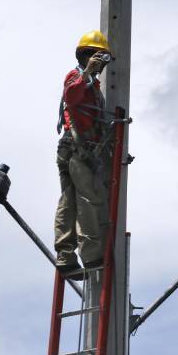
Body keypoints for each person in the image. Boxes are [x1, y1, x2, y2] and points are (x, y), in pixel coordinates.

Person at [53, 30, 113, 279]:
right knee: (88, 201)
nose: (99, 64)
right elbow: (71, 96)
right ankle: (91, 256)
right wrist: (87, 72)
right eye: (96, 57)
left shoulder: (92, 85)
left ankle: (65, 256)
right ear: (85, 56)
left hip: (71, 149)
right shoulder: (78, 77)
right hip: (78, 150)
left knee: (68, 202)